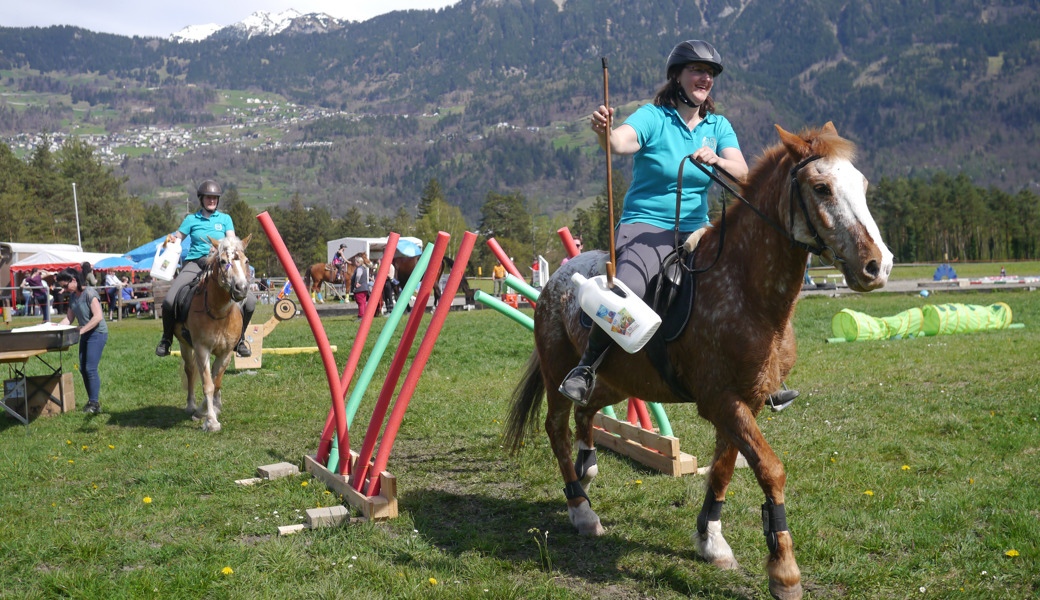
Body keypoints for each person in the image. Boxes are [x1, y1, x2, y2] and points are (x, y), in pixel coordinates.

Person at [561, 39, 777, 407]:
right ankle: (587, 367)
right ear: (676, 76)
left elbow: (744, 172)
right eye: (697, 70)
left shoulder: (718, 125)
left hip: (697, 230)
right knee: (627, 289)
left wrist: (718, 161)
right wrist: (604, 132)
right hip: (646, 227)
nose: (704, 78)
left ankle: (759, 379)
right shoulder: (653, 117)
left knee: (741, 284)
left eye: (710, 73)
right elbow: (618, 143)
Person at [155, 180, 256, 357]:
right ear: (201, 199)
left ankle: (239, 340)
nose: (212, 201)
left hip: (220, 264)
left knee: (251, 301)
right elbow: (178, 236)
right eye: (208, 198)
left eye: (214, 198)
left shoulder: (225, 219)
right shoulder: (191, 219)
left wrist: (220, 249)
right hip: (195, 263)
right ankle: (166, 339)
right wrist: (172, 239)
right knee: (169, 300)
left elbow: (232, 242)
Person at [55, 267, 108, 414]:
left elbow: (98, 317)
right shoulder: (73, 296)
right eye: (62, 287)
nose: (64, 289)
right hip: (85, 334)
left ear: (74, 280)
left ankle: (95, 404)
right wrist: (54, 327)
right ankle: (91, 401)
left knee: (90, 368)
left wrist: (82, 331)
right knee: (83, 368)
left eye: (65, 286)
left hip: (97, 333)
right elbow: (69, 318)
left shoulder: (90, 293)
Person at [350, 255, 371, 320]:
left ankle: (361, 316)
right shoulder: (364, 268)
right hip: (364, 288)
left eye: (356, 262)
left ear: (358, 262)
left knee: (360, 302)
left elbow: (358, 275)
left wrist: (356, 282)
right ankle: (365, 315)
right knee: (363, 302)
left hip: (360, 289)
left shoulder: (359, 268)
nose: (355, 263)